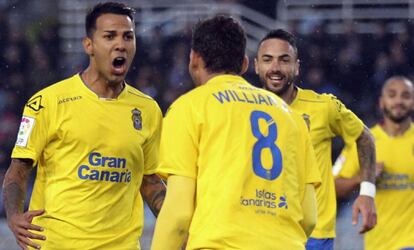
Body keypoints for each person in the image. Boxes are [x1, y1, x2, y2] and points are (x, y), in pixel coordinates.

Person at [2, 2, 165, 249]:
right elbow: (18, 170)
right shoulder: (46, 102)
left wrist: (178, 225)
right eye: (110, 36)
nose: (120, 44)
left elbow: (150, 181)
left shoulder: (148, 109)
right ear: (89, 45)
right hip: (57, 244)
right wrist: (13, 216)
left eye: (128, 36)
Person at [151, 15, 321, 250]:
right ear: (244, 64)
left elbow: (178, 213)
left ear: (194, 60)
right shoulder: (290, 116)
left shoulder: (189, 107)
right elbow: (310, 216)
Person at [255, 29, 377, 250]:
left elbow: (364, 136)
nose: (275, 68)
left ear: (297, 66)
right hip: (264, 230)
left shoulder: (324, 107)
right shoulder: (244, 110)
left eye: (284, 60)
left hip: (314, 235)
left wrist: (367, 193)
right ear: (256, 65)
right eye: (267, 60)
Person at [334, 76, 414, 250]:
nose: (399, 100)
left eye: (406, 95)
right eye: (392, 95)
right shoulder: (365, 141)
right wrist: (363, 178)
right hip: (378, 244)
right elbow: (331, 186)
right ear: (381, 102)